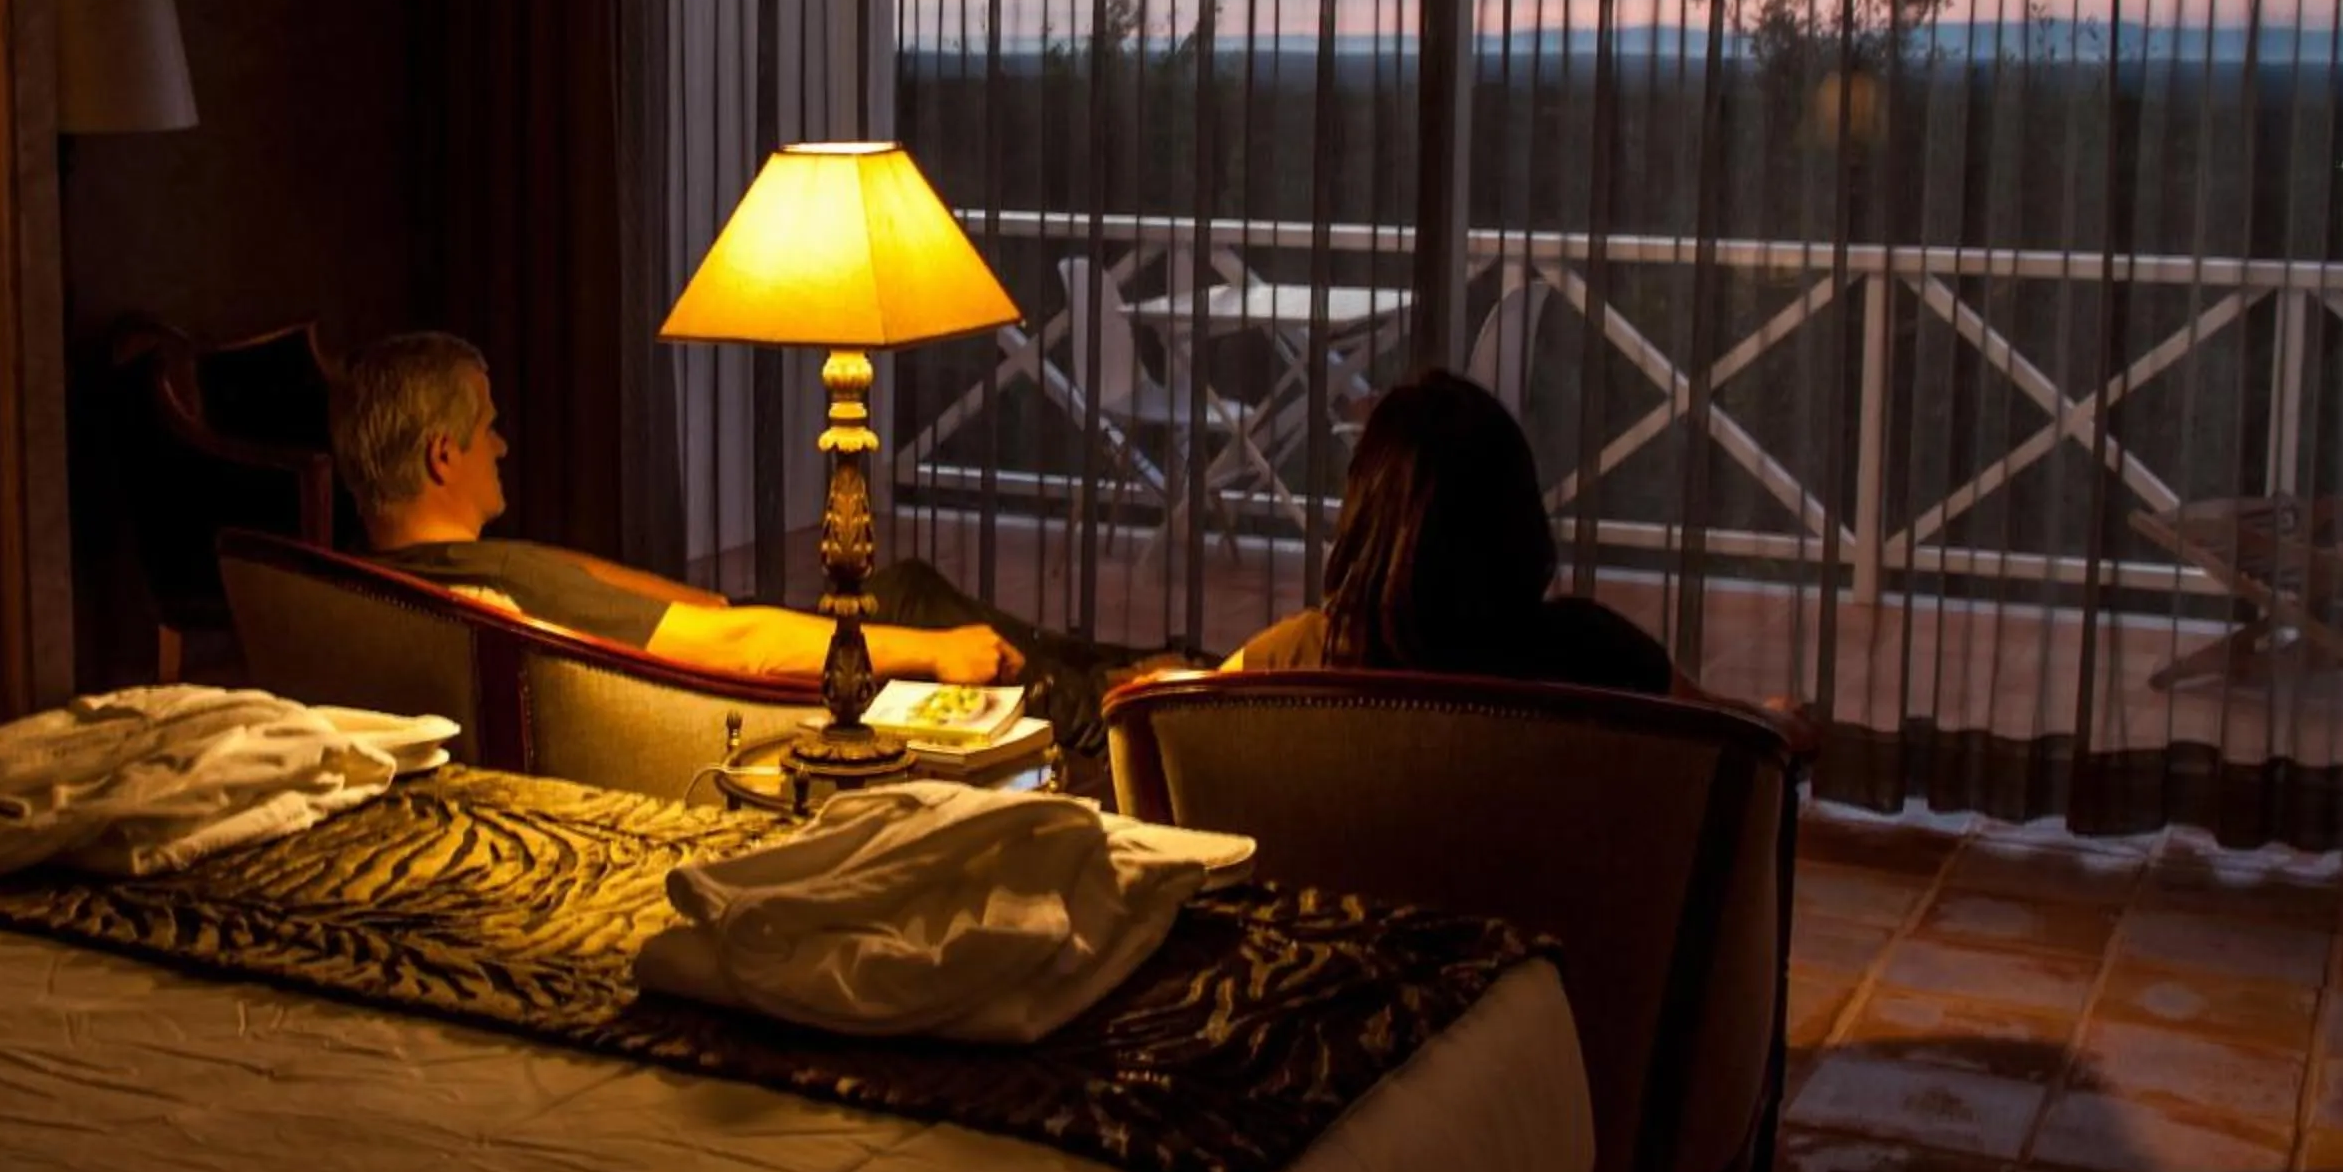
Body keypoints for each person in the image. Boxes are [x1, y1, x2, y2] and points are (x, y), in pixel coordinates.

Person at [330, 333, 1125, 748]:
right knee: (930, 624)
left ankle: (1112, 670)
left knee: (910, 585)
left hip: (723, 653)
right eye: (490, 430)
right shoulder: (502, 578)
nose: (501, 447)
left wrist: (692, 595)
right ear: (443, 455)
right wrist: (933, 654)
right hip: (755, 707)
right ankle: (1123, 715)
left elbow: (629, 590)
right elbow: (738, 645)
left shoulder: (376, 578)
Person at [1227, 370, 1810, 751]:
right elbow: (1737, 733)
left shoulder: (1296, 662)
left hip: (1345, 938)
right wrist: (1783, 719)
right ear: (1516, 513)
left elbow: (1163, 713)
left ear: (1363, 517)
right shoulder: (1596, 656)